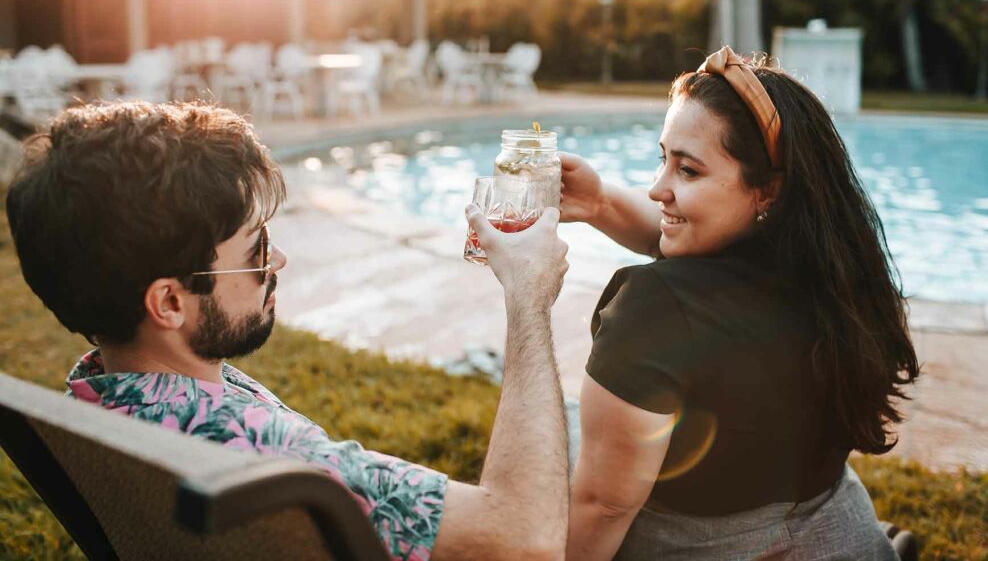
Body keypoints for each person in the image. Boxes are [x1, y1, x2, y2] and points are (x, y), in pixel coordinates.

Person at [5, 101, 570, 561]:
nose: (278, 264)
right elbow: (524, 538)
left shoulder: (95, 399)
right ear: (170, 301)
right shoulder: (264, 458)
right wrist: (528, 298)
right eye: (257, 252)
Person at [562, 47, 919, 560]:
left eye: (687, 171)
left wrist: (527, 293)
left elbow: (602, 507)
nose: (657, 187)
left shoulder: (656, 309)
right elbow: (684, 238)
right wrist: (597, 201)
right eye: (663, 159)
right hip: (844, 535)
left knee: (557, 430)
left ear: (767, 192)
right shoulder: (838, 276)